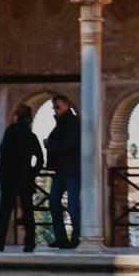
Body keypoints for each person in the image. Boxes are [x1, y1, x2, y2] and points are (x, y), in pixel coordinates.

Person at [0, 104, 43, 252]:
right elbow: (40, 159)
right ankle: (30, 243)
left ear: (16, 116)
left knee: (5, 211)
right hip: (25, 177)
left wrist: (3, 173)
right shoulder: (31, 136)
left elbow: (3, 153)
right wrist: (32, 173)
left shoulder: (10, 132)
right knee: (28, 211)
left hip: (9, 177)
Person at [44, 96, 82, 249]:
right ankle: (61, 238)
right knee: (53, 202)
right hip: (61, 171)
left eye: (57, 107)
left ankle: (77, 238)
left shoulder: (73, 123)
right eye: (54, 107)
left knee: (73, 205)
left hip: (72, 170)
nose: (55, 110)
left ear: (67, 106)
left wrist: (50, 145)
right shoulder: (61, 124)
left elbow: (70, 144)